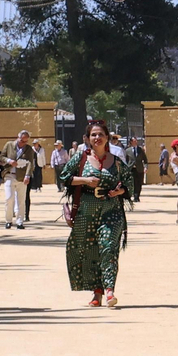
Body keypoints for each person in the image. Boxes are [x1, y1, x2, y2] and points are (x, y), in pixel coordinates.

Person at [58, 118, 133, 307]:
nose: (97, 137)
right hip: (86, 212)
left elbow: (129, 183)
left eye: (100, 134)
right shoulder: (80, 158)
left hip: (111, 211)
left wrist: (120, 191)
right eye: (93, 135)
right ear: (88, 138)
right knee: (90, 251)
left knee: (108, 247)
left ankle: (109, 290)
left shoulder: (116, 162)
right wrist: (84, 180)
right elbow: (65, 177)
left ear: (107, 137)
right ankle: (96, 291)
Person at [6, 130, 34, 228]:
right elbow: (2, 157)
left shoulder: (29, 149)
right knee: (9, 198)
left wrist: (28, 175)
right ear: (18, 138)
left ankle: (19, 222)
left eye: (25, 141)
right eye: (22, 141)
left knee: (21, 200)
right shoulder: (9, 145)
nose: (23, 143)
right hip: (9, 175)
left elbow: (30, 163)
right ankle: (8, 220)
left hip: (22, 177)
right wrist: (9, 161)